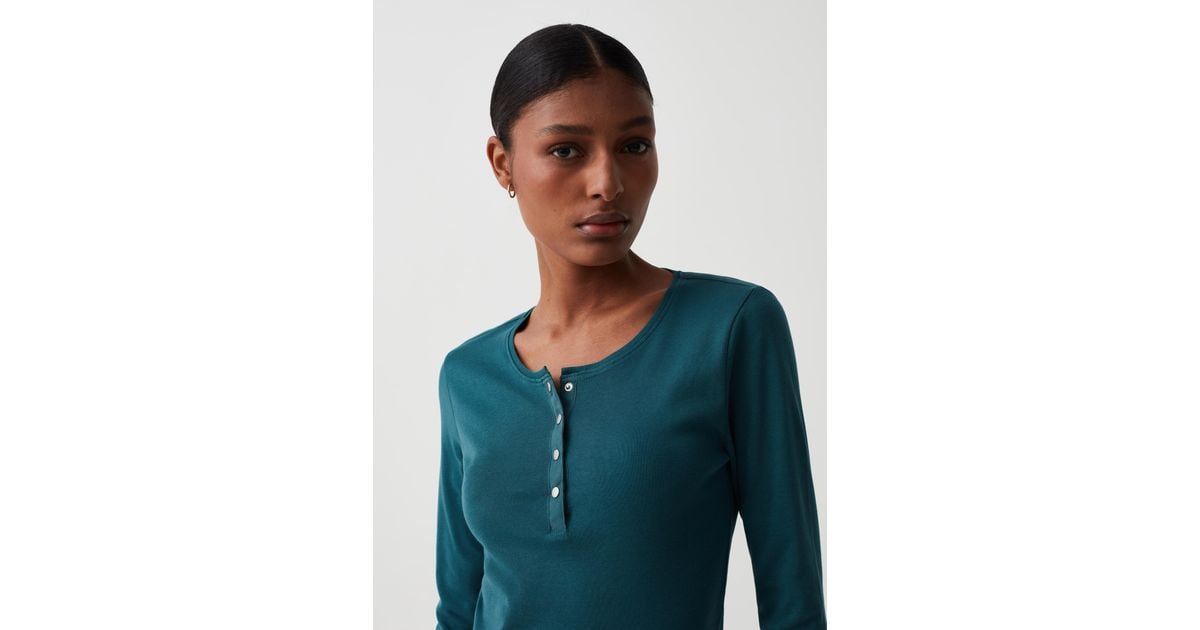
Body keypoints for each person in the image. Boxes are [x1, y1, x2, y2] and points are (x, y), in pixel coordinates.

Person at [435, 23, 826, 629]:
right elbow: (457, 609)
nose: (608, 183)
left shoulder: (731, 330)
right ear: (503, 164)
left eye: (634, 145)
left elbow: (792, 596)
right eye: (567, 150)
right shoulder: (468, 376)